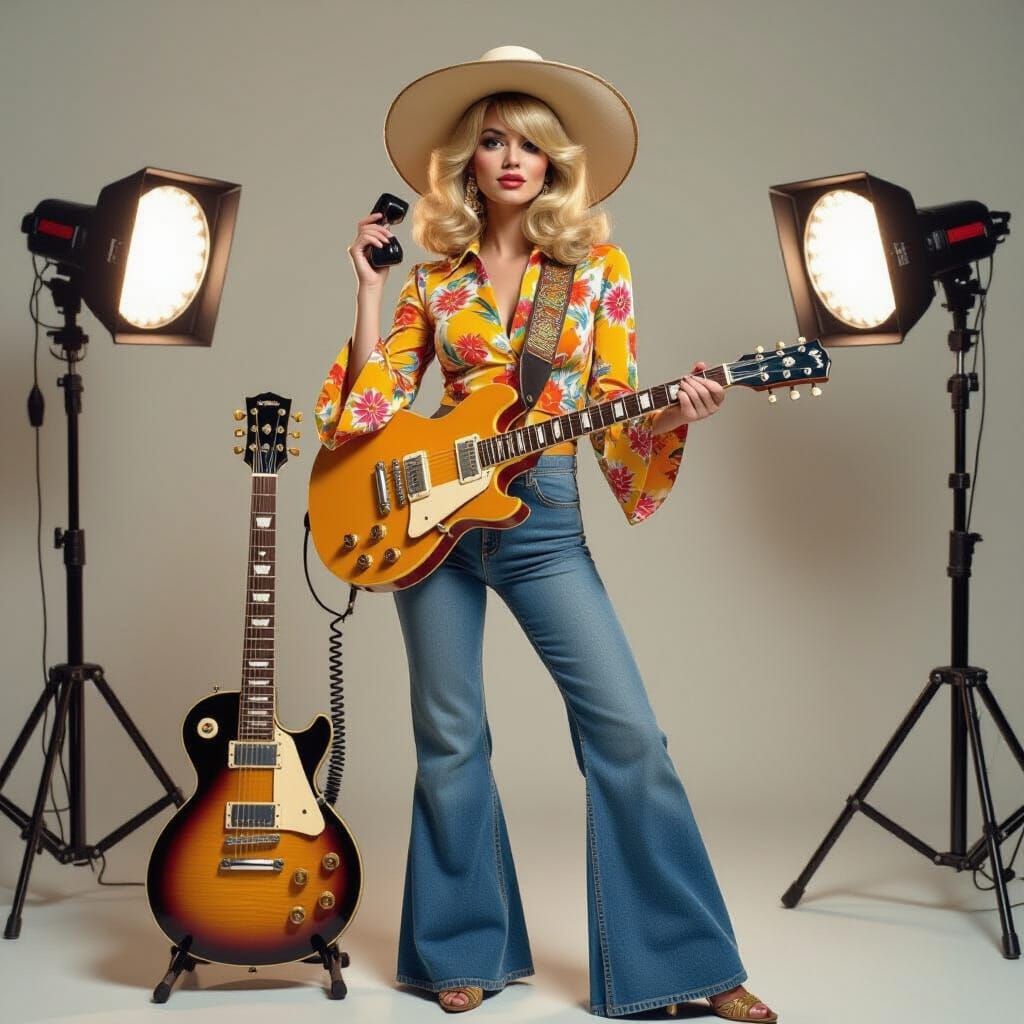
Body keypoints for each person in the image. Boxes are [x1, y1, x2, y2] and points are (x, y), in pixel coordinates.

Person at [315, 45, 777, 1022]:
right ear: (468, 164)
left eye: (529, 142)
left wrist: (675, 410)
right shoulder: (434, 281)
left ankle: (685, 963)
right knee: (448, 739)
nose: (511, 158)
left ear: (556, 160)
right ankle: (459, 947)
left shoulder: (594, 271)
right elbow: (373, 406)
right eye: (491, 141)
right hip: (431, 526)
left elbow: (616, 403)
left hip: (542, 522)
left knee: (627, 734)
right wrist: (365, 285)